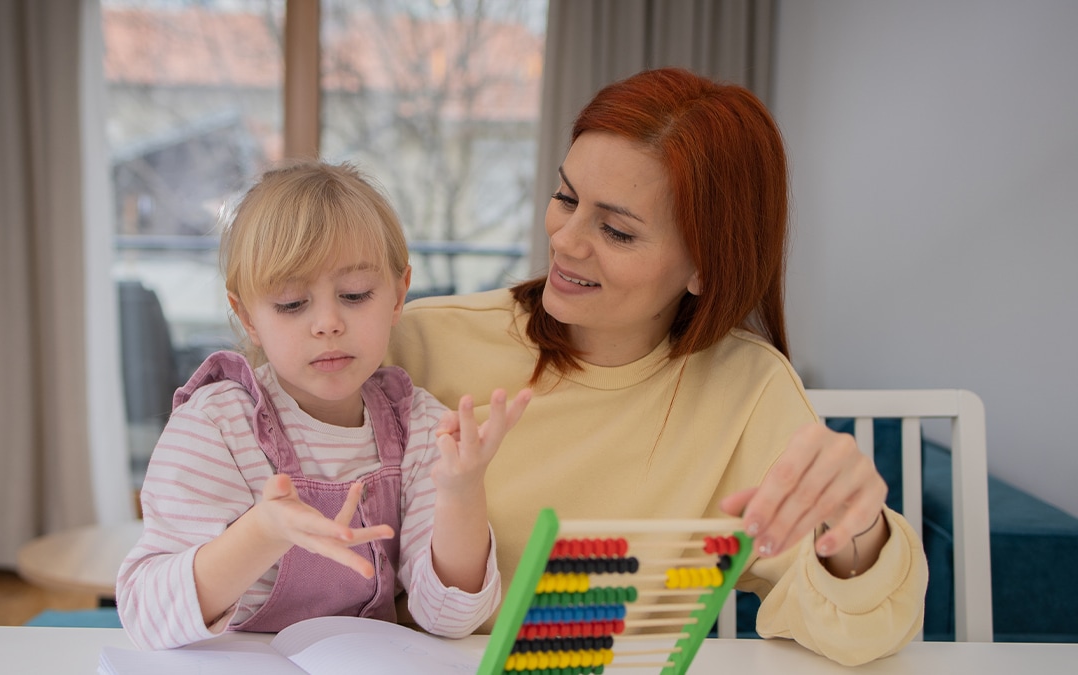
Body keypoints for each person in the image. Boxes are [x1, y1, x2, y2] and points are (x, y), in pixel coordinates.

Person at [386, 67, 928, 666]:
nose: (566, 241)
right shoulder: (419, 343)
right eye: (565, 197)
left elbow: (861, 630)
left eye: (617, 231)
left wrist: (856, 531)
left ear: (706, 267)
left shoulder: (747, 391)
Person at [116, 160, 532, 650]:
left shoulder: (417, 426)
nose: (328, 323)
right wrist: (264, 532)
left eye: (355, 295)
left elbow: (448, 618)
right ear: (247, 316)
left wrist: (462, 495)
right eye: (292, 303)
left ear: (399, 295)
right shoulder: (216, 428)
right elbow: (145, 612)